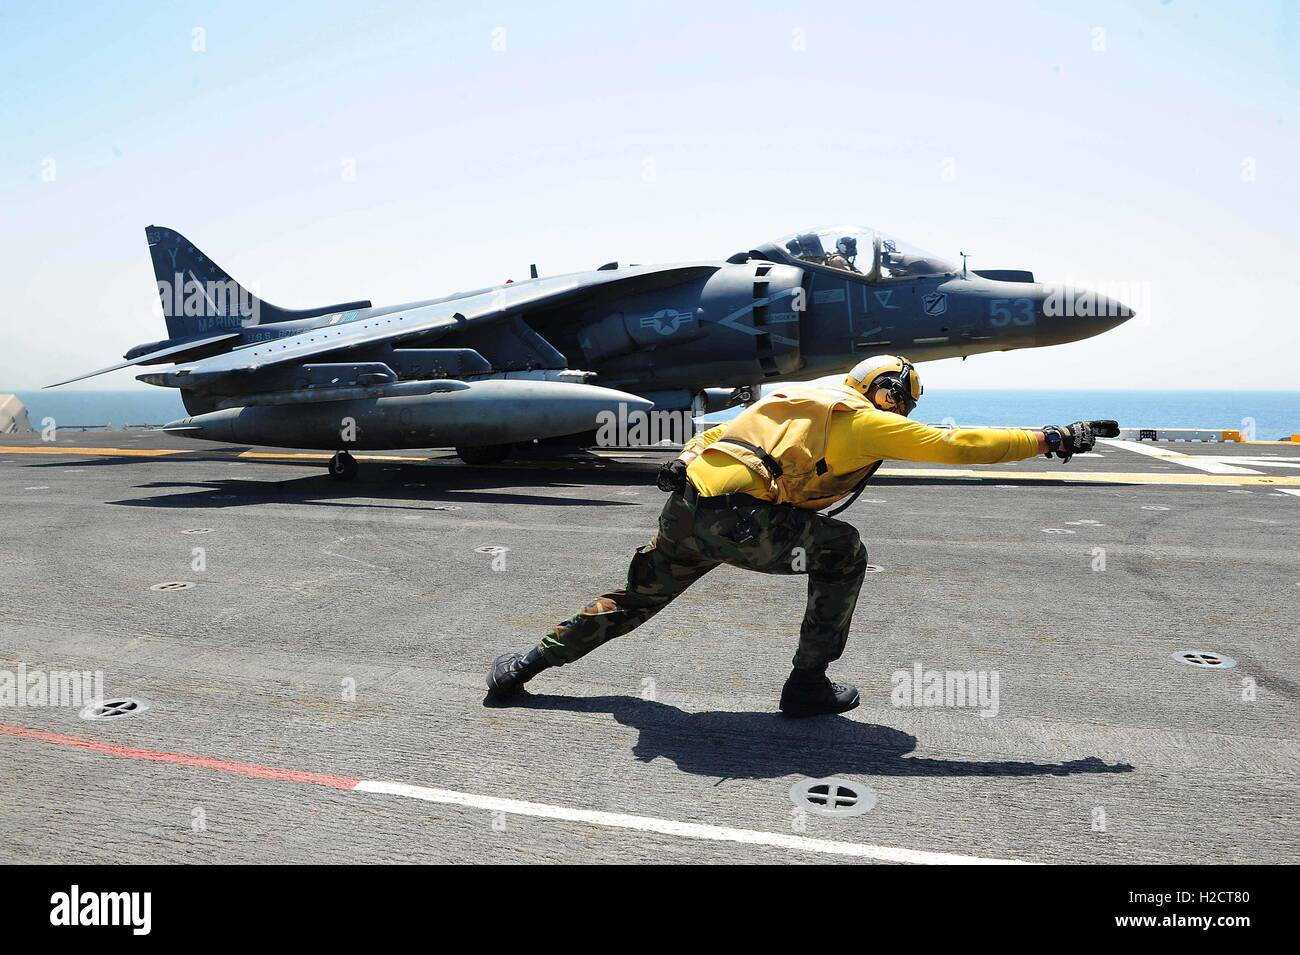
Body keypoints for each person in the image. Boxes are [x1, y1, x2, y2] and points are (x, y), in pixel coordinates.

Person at [485, 355, 1115, 716]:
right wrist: (1050, 437)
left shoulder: (794, 397)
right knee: (844, 551)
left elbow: (715, 430)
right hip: (744, 525)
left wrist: (686, 455)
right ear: (890, 392)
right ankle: (807, 685)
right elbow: (958, 446)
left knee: (634, 599)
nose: (903, 413)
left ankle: (523, 667)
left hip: (686, 508)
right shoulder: (866, 420)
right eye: (904, 401)